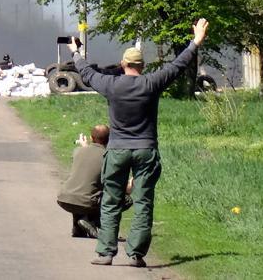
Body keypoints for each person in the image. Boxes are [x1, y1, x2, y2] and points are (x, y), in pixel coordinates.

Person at [68, 18, 209, 268]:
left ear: (123, 64)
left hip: (117, 150)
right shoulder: (151, 83)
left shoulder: (111, 85)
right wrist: (195, 42)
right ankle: (136, 255)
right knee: (143, 203)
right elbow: (178, 65)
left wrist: (75, 52)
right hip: (145, 150)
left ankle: (106, 253)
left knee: (111, 201)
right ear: (142, 66)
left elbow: (87, 74)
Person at [57, 124, 133, 239]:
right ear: (110, 139)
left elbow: (88, 164)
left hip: (65, 199)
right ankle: (93, 221)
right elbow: (119, 187)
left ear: (91, 137)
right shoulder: (109, 158)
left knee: (83, 187)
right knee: (126, 200)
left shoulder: (77, 151)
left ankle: (79, 226)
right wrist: (130, 185)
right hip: (87, 202)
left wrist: (85, 146)